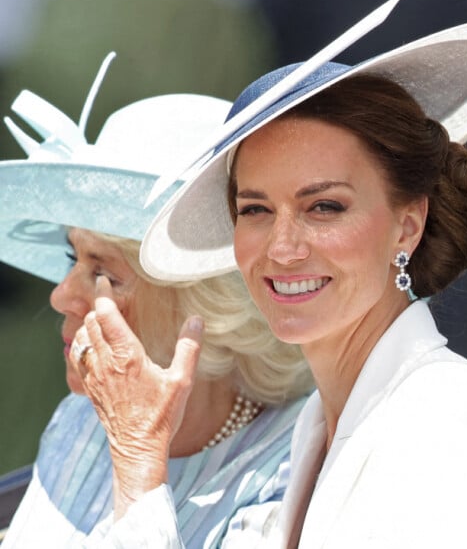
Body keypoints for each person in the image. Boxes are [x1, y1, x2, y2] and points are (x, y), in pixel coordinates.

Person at [139, 6, 467, 547]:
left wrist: (141, 476)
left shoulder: (459, 421)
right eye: (256, 210)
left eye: (325, 208)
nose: (282, 249)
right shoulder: (318, 424)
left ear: (407, 224)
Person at [0, 54, 313, 547]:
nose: (62, 296)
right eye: (71, 257)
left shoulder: (295, 466)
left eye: (103, 273)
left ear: (206, 308)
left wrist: (139, 458)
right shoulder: (82, 420)